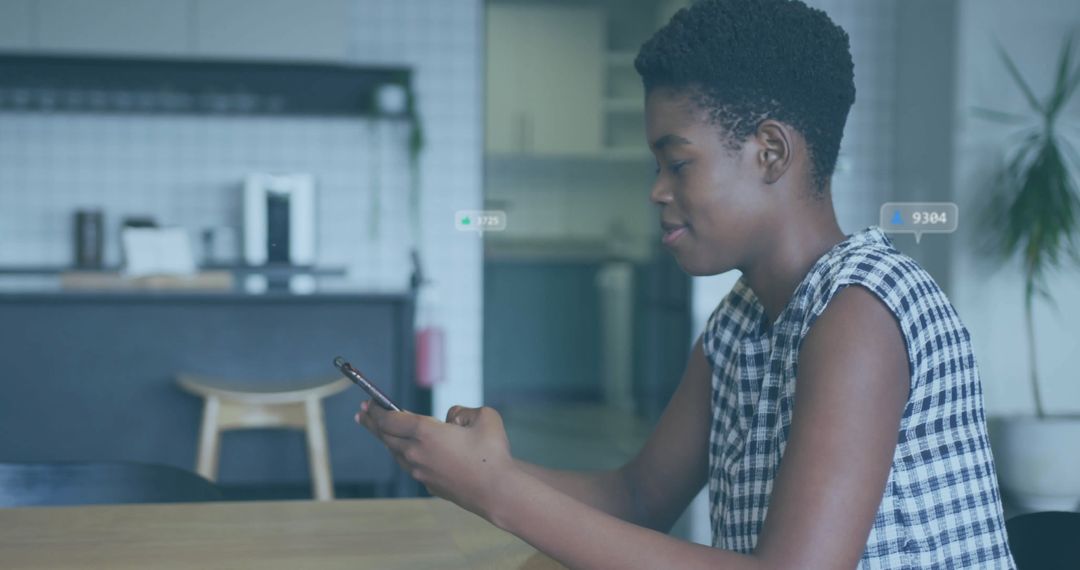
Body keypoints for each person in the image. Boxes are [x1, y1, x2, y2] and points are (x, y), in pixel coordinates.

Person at [356, 0, 1017, 567]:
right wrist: (469, 467)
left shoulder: (861, 311)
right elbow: (638, 498)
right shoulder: (738, 323)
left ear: (770, 153)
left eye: (677, 163)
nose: (657, 191)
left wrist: (498, 491)